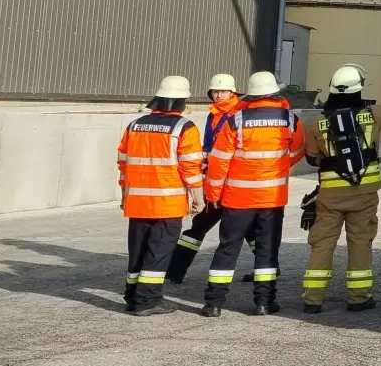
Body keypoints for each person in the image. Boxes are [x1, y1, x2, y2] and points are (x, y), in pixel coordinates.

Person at [300, 62, 381, 313]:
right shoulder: (373, 115)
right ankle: (359, 298)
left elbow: (311, 159)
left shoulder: (317, 124)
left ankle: (312, 300)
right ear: (359, 89)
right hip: (365, 194)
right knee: (360, 242)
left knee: (322, 244)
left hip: (330, 196)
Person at [201, 71, 304, 317]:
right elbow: (298, 150)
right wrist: (275, 166)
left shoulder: (236, 119)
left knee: (228, 247)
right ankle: (264, 303)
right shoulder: (289, 119)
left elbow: (219, 161)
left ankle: (214, 303)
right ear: (274, 92)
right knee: (267, 249)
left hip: (238, 197)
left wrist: (213, 193)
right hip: (272, 196)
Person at [118, 76, 205, 316]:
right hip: (167, 203)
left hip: (137, 201)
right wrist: (198, 197)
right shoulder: (183, 128)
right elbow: (190, 167)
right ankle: (148, 300)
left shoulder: (135, 125)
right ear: (181, 102)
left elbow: (123, 164)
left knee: (138, 250)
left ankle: (133, 296)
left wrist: (125, 195)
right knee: (159, 252)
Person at [165, 74, 241, 284]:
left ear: (232, 93)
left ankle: (175, 270)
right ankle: (175, 271)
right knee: (202, 225)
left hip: (230, 181)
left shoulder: (237, 113)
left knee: (206, 225)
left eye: (223, 91)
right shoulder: (214, 114)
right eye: (215, 92)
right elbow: (209, 147)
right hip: (217, 179)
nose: (218, 95)